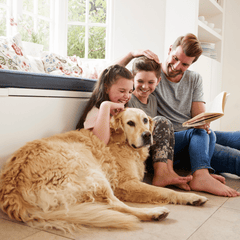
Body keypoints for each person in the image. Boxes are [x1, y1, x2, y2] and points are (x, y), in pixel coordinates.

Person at [116, 33, 240, 197]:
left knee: (228, 136)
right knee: (231, 156)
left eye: (184, 64)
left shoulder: (193, 79)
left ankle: (202, 170)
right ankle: (202, 173)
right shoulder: (151, 75)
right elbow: (113, 76)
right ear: (169, 50)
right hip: (173, 140)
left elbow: (198, 117)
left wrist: (205, 120)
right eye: (175, 58)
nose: (176, 66)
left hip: (192, 135)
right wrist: (132, 54)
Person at [128, 56, 192, 190]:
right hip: (137, 148)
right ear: (132, 79)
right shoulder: (129, 100)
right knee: (160, 121)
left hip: (150, 148)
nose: (145, 86)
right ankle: (161, 173)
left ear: (158, 81)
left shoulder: (152, 100)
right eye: (140, 81)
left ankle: (168, 171)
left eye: (150, 82)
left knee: (166, 124)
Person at [76, 64, 133, 145]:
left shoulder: (120, 111)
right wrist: (106, 106)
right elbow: (100, 143)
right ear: (106, 88)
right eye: (122, 91)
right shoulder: (96, 112)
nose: (127, 96)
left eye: (130, 92)